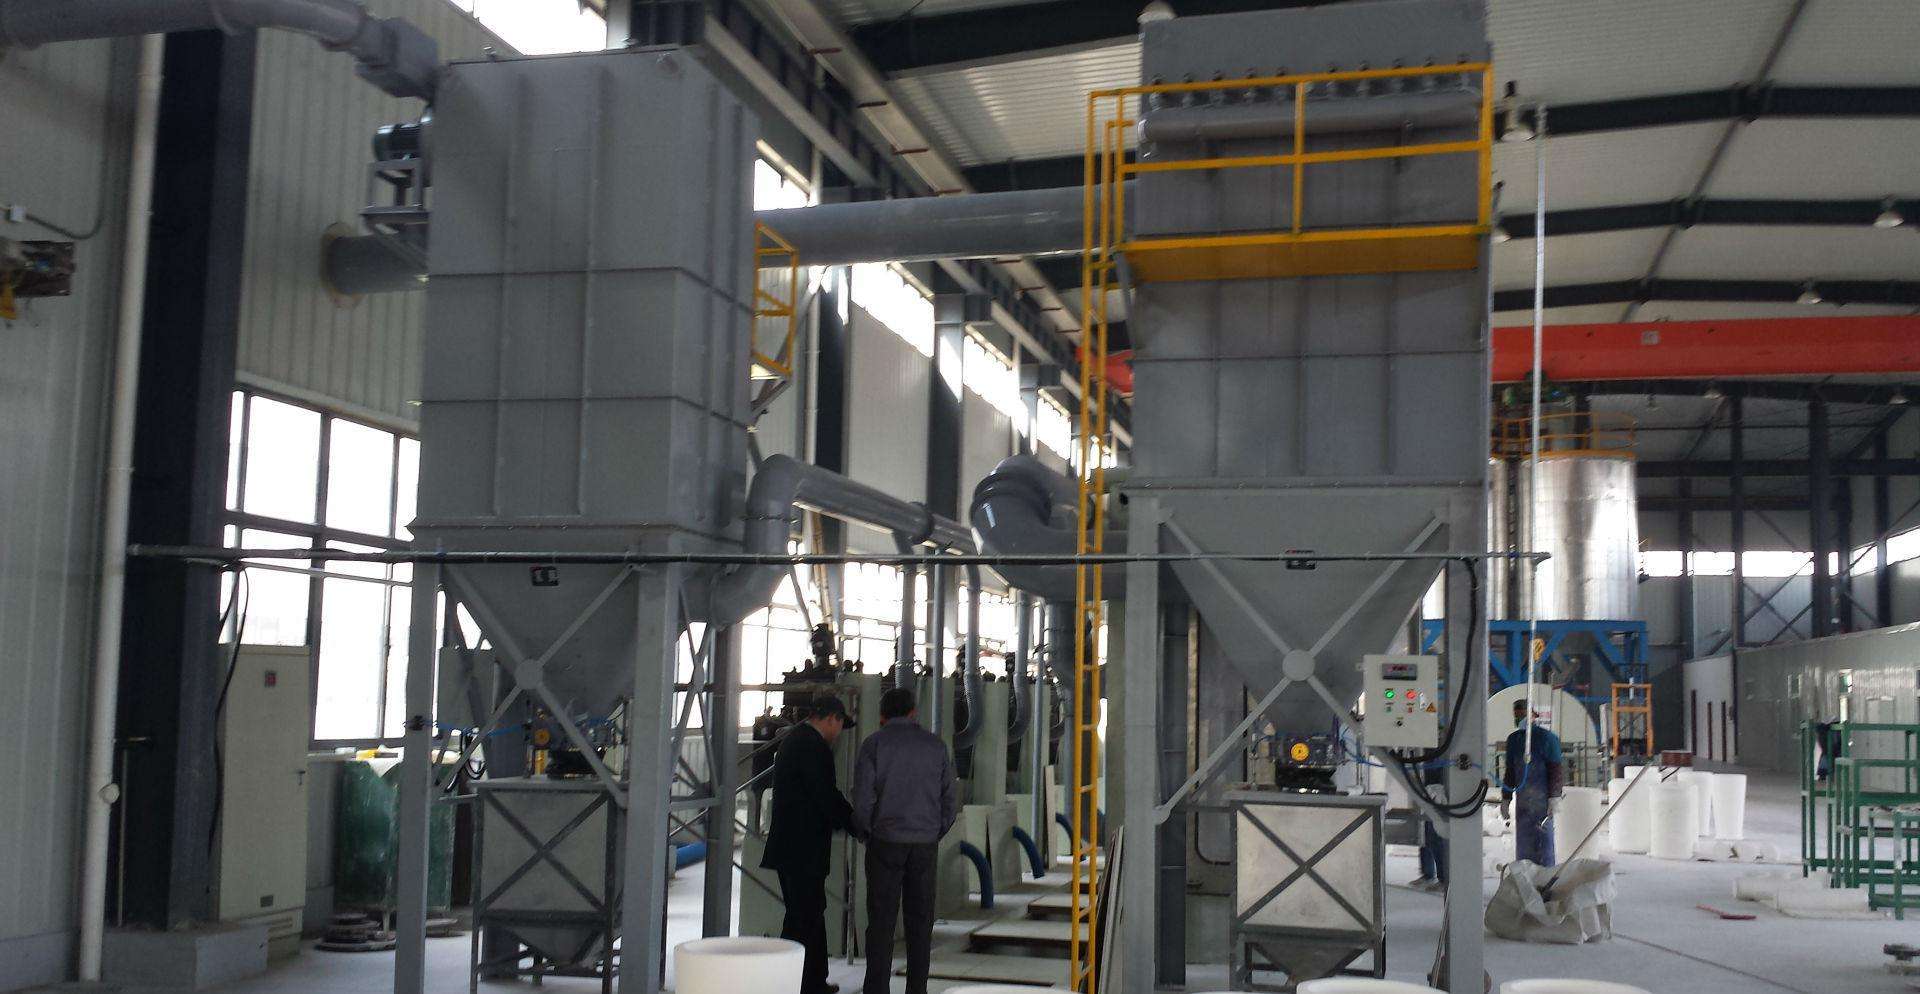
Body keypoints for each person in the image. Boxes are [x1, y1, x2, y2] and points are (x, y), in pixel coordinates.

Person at [852, 688, 959, 994]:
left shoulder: (873, 745)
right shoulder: (936, 746)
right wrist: (934, 831)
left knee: (881, 921)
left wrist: (867, 832)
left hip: (885, 842)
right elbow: (950, 800)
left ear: (882, 716)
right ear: (913, 712)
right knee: (921, 921)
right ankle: (917, 989)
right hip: (924, 844)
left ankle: (876, 989)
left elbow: (863, 799)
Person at [760, 695, 854, 994]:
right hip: (802, 850)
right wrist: (856, 823)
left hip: (792, 848)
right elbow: (824, 795)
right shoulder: (813, 746)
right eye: (840, 725)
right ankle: (793, 982)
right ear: (832, 718)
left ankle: (811, 981)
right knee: (803, 918)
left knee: (808, 914)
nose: (839, 733)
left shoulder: (796, 740)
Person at [1500, 698, 1565, 866]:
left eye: (1522, 715)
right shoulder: (1514, 740)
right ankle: (1525, 875)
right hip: (1523, 803)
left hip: (1542, 802)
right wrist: (1506, 798)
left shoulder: (1547, 738)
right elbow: (1510, 772)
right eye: (1516, 715)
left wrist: (1554, 796)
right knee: (1523, 843)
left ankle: (1546, 876)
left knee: (1543, 842)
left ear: (1534, 715)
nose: (1519, 718)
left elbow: (1556, 770)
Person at [1411, 763, 1449, 891]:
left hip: (1437, 793)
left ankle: (1443, 878)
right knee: (1425, 835)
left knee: (1435, 837)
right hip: (1428, 791)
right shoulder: (1426, 757)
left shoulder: (1440, 756)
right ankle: (1427, 874)